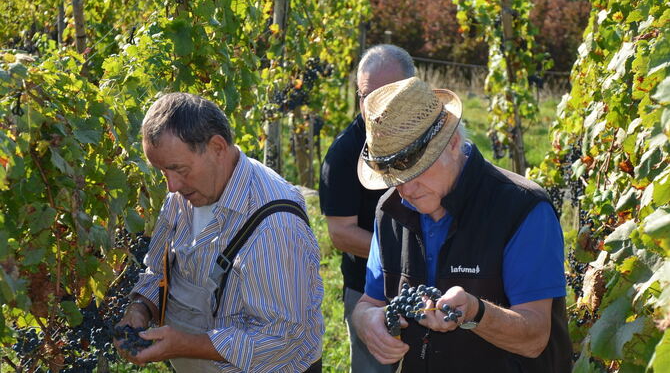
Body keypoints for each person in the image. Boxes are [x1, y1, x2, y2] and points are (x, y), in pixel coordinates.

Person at [351, 77, 572, 372]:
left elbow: (535, 337)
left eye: (418, 169)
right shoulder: (389, 211)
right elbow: (369, 301)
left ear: (453, 143)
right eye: (395, 176)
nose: (405, 188)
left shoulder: (521, 208)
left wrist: (475, 311)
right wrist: (366, 321)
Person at [114, 92, 324, 372]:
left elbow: (281, 340)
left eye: (177, 169)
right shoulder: (183, 196)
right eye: (162, 171)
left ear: (217, 147)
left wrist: (189, 344)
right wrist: (140, 308)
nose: (171, 185)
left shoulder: (274, 225)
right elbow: (158, 271)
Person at [319, 44, 415, 373]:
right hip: (369, 292)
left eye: (385, 94)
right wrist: (407, 257)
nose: (372, 106)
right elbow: (341, 234)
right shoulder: (345, 153)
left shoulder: (430, 137)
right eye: (364, 95)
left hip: (433, 285)